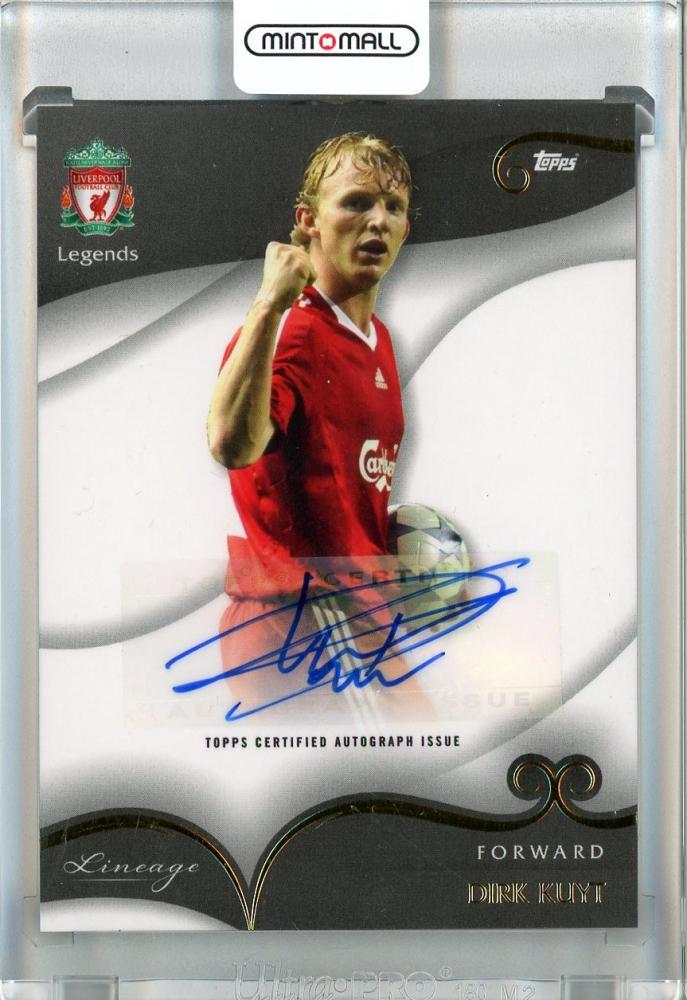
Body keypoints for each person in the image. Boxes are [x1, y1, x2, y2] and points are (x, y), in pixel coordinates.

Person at [207, 133, 414, 722]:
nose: (377, 221)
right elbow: (231, 444)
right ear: (308, 222)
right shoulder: (292, 332)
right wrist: (267, 306)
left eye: (393, 207)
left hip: (352, 609)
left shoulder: (378, 340)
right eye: (356, 203)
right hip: (302, 616)